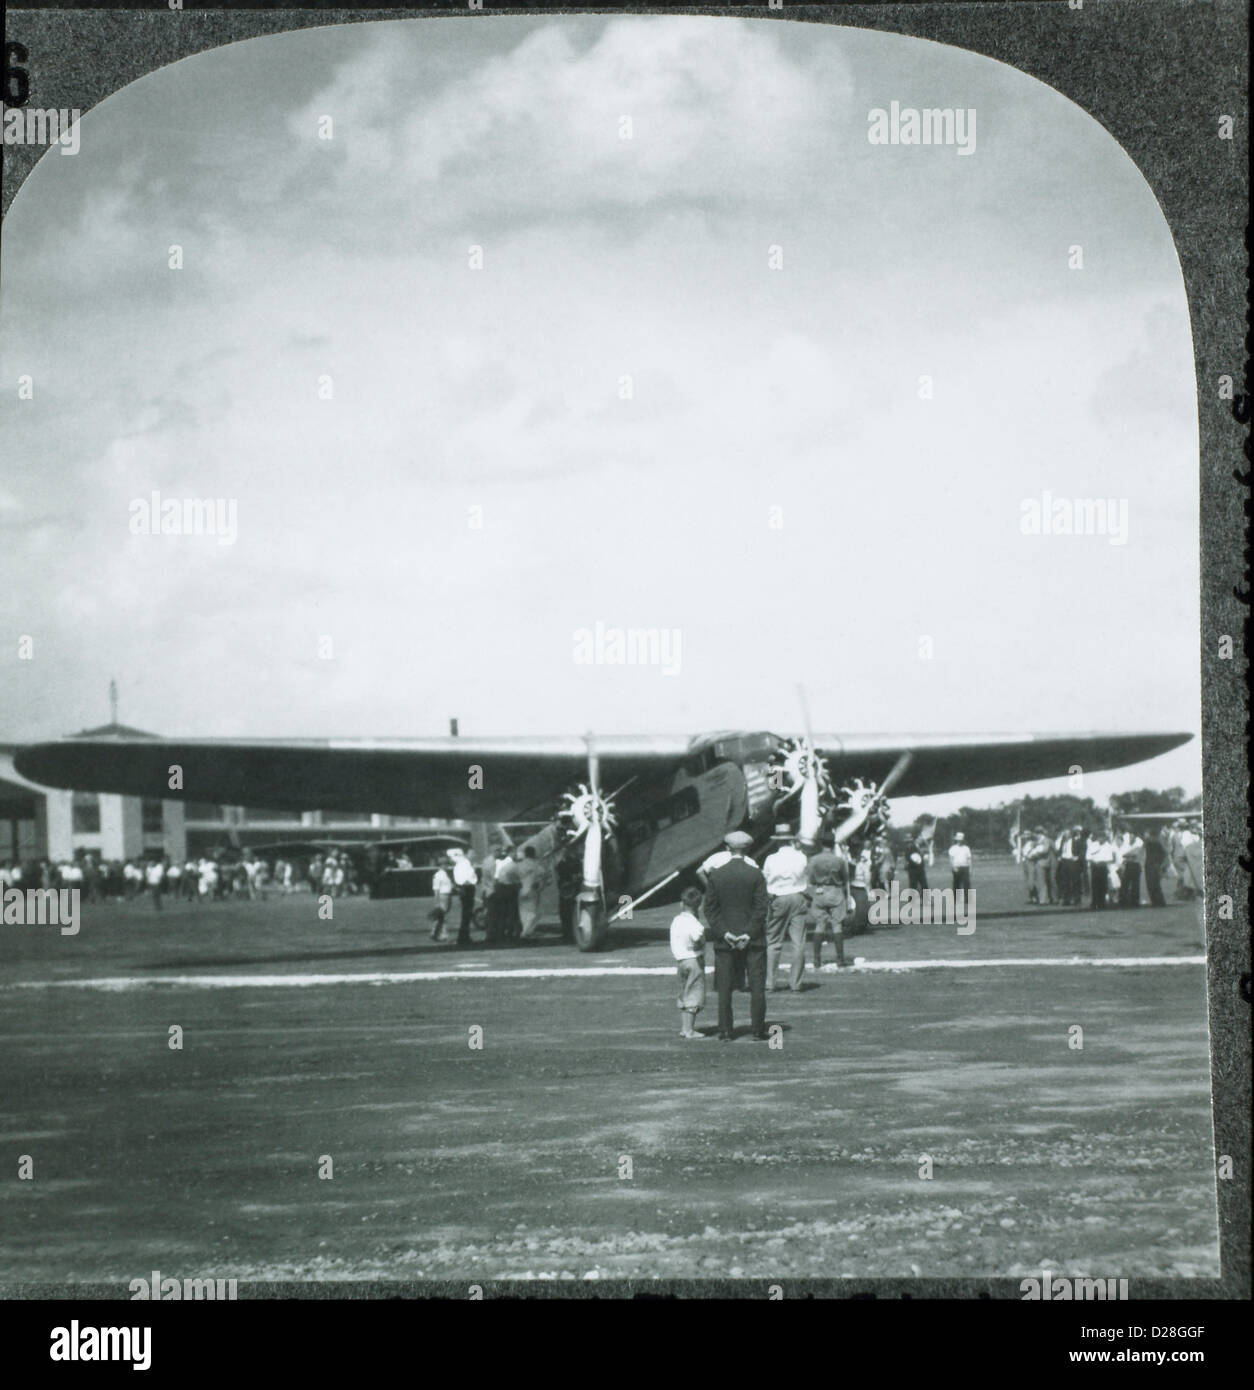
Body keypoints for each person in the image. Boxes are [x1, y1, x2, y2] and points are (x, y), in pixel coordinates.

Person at [703, 831, 769, 1041]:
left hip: (725, 941)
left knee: (724, 988)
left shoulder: (716, 874)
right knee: (757, 987)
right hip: (754, 940)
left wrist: (725, 933)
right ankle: (758, 1030)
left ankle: (725, 1030)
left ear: (727, 849)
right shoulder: (756, 874)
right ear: (748, 849)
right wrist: (748, 934)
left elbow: (710, 910)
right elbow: (761, 909)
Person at [762, 824, 810, 992]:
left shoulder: (770, 859)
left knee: (773, 941)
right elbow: (806, 875)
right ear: (791, 840)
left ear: (777, 841)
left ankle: (770, 982)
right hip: (798, 896)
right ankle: (796, 983)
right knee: (798, 942)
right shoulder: (801, 857)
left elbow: (765, 879)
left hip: (778, 897)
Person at [805, 833, 851, 969]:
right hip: (835, 891)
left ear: (821, 844)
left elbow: (810, 878)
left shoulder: (813, 860)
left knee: (820, 925)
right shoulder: (839, 860)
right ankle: (840, 960)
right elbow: (845, 878)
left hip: (820, 892)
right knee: (837, 925)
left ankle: (817, 960)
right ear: (833, 844)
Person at [670, 886, 710, 1040]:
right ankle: (689, 1030)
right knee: (694, 994)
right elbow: (698, 935)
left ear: (682, 904)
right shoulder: (696, 924)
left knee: (684, 994)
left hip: (680, 960)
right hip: (694, 960)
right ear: (699, 906)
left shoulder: (676, 920)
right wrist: (698, 944)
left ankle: (684, 1027)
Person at [450, 849, 478, 946]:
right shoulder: (464, 864)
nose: (474, 856)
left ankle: (464, 936)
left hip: (466, 888)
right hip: (466, 888)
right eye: (472, 854)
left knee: (467, 914)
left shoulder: (465, 864)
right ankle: (463, 937)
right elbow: (464, 878)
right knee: (466, 914)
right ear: (467, 854)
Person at [494, 848, 522, 943]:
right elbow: (518, 878)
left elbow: (496, 878)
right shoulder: (513, 865)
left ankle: (501, 932)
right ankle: (511, 932)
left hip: (501, 888)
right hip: (510, 889)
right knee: (512, 912)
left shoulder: (500, 863)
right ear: (512, 853)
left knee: (502, 912)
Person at [1086, 830, 1115, 908]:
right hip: (1094, 866)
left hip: (1103, 866)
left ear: (1105, 838)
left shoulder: (1108, 846)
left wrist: (1102, 863)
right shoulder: (1093, 845)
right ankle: (1094, 902)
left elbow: (1110, 858)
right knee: (1095, 885)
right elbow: (1088, 856)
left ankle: (1102, 902)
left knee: (1103, 885)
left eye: (1103, 838)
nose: (1101, 839)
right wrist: (1094, 862)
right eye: (1099, 838)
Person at [517, 845, 542, 940]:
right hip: (532, 890)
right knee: (533, 912)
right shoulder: (536, 865)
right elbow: (542, 874)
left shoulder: (519, 865)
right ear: (534, 854)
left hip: (520, 889)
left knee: (523, 912)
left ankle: (525, 930)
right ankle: (526, 932)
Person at [1117, 829, 1144, 907]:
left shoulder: (1139, 843)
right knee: (1125, 883)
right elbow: (1125, 854)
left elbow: (1134, 854)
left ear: (1135, 836)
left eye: (1132, 836)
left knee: (1135, 884)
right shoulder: (1129, 843)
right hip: (1128, 864)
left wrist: (1127, 854)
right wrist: (1128, 855)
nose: (1130, 837)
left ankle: (1134, 902)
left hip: (1135, 865)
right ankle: (1123, 901)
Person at [429, 857, 454, 941]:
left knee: (442, 916)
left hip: (448, 895)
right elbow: (436, 889)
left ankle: (434, 933)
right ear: (441, 865)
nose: (447, 866)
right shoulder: (438, 875)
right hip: (443, 896)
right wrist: (437, 901)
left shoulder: (446, 874)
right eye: (445, 864)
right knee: (442, 916)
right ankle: (443, 934)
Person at [1143, 828, 1168, 907]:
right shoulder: (1156, 842)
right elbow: (1163, 853)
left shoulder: (1150, 842)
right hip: (1154, 864)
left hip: (1151, 864)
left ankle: (1156, 901)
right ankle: (1159, 901)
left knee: (1151, 884)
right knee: (1155, 883)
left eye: (1145, 833)